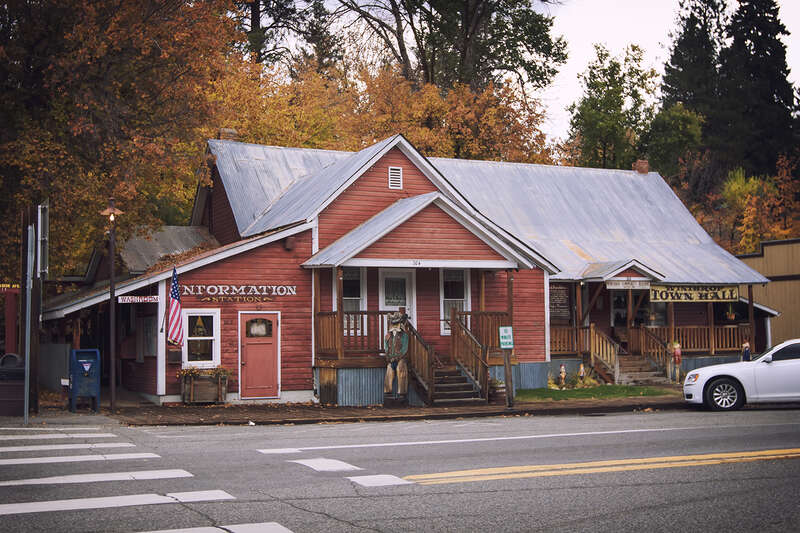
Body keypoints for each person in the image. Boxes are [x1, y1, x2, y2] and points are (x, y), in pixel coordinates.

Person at [384, 312, 409, 398]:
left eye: (396, 324)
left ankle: (401, 393)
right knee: (389, 371)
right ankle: (388, 392)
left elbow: (404, 348)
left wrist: (398, 357)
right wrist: (388, 356)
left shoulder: (404, 335)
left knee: (400, 369)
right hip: (391, 359)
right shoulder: (388, 336)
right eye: (393, 324)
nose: (394, 326)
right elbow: (386, 347)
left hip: (400, 358)